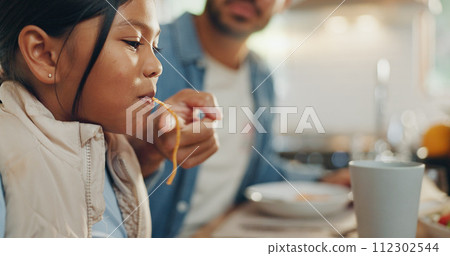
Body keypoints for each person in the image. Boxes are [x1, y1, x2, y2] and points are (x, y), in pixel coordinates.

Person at [0, 0, 219, 237]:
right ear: (44, 55)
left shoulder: (112, 154)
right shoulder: (8, 168)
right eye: (133, 43)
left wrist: (149, 148)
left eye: (156, 48)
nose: (157, 66)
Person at [141, 0, 297, 238]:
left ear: (284, 4)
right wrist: (150, 149)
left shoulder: (262, 75)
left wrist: (329, 180)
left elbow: (262, 172)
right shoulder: (146, 47)